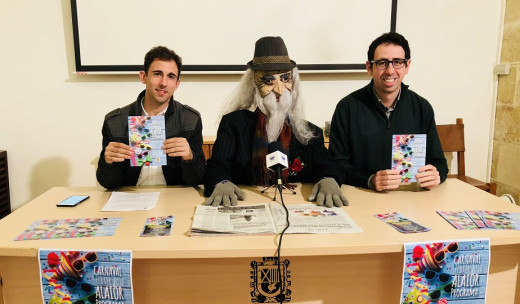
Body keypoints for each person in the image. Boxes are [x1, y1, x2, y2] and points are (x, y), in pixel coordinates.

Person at [204, 36, 347, 207]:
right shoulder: (233, 124)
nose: (279, 90)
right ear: (254, 84)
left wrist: (328, 179)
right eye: (269, 80)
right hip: (246, 204)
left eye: (285, 79)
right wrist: (221, 182)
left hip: (296, 206)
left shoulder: (310, 132)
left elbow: (328, 165)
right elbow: (217, 166)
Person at [329, 32, 448, 192]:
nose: (390, 71)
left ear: (407, 66)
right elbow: (336, 164)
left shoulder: (422, 108)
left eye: (398, 62)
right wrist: (370, 180)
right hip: (363, 197)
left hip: (410, 198)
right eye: (382, 63)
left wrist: (436, 174)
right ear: (369, 67)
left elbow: (439, 162)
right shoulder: (347, 108)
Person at [96, 46, 205, 189]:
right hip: (131, 200)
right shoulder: (115, 122)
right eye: (157, 74)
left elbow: (198, 179)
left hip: (174, 201)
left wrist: (190, 158)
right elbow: (108, 184)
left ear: (177, 83)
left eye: (171, 76)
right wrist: (107, 161)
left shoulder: (190, 119)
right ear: (143, 77)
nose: (163, 83)